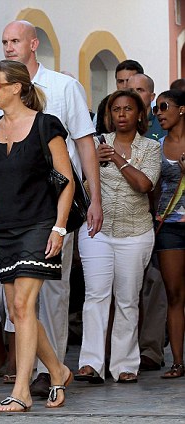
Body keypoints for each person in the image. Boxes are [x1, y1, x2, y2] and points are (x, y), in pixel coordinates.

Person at [0, 20, 102, 397]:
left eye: (14, 40)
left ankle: (32, 381)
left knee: (45, 294)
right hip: (9, 217)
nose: (8, 46)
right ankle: (54, 369)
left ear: (34, 44)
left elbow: (82, 147)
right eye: (3, 41)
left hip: (48, 212)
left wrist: (91, 201)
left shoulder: (62, 90)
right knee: (19, 305)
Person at [0, 60, 74, 412]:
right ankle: (58, 370)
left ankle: (22, 390)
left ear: (16, 87)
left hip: (40, 225)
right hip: (5, 230)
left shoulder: (47, 125)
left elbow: (66, 181)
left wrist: (59, 227)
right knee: (18, 314)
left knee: (21, 306)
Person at [75, 89, 161, 384]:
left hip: (136, 232)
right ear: (109, 115)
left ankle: (125, 364)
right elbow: (81, 185)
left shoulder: (150, 147)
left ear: (139, 115)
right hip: (96, 229)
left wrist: (118, 160)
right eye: (116, 109)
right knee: (95, 295)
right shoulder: (96, 144)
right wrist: (91, 164)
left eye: (128, 109)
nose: (121, 114)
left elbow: (145, 184)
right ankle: (91, 363)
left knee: (127, 299)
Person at [127, 73, 167, 371]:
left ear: (151, 97)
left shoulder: (160, 125)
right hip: (124, 217)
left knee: (156, 283)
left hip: (160, 216)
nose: (134, 94)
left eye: (140, 90)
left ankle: (151, 348)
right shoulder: (113, 126)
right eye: (129, 89)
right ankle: (123, 350)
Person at [154, 89, 185, 378]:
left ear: (182, 109)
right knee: (174, 295)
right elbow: (152, 189)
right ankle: (177, 362)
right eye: (155, 109)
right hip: (170, 228)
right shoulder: (158, 147)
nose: (159, 113)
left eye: (164, 107)